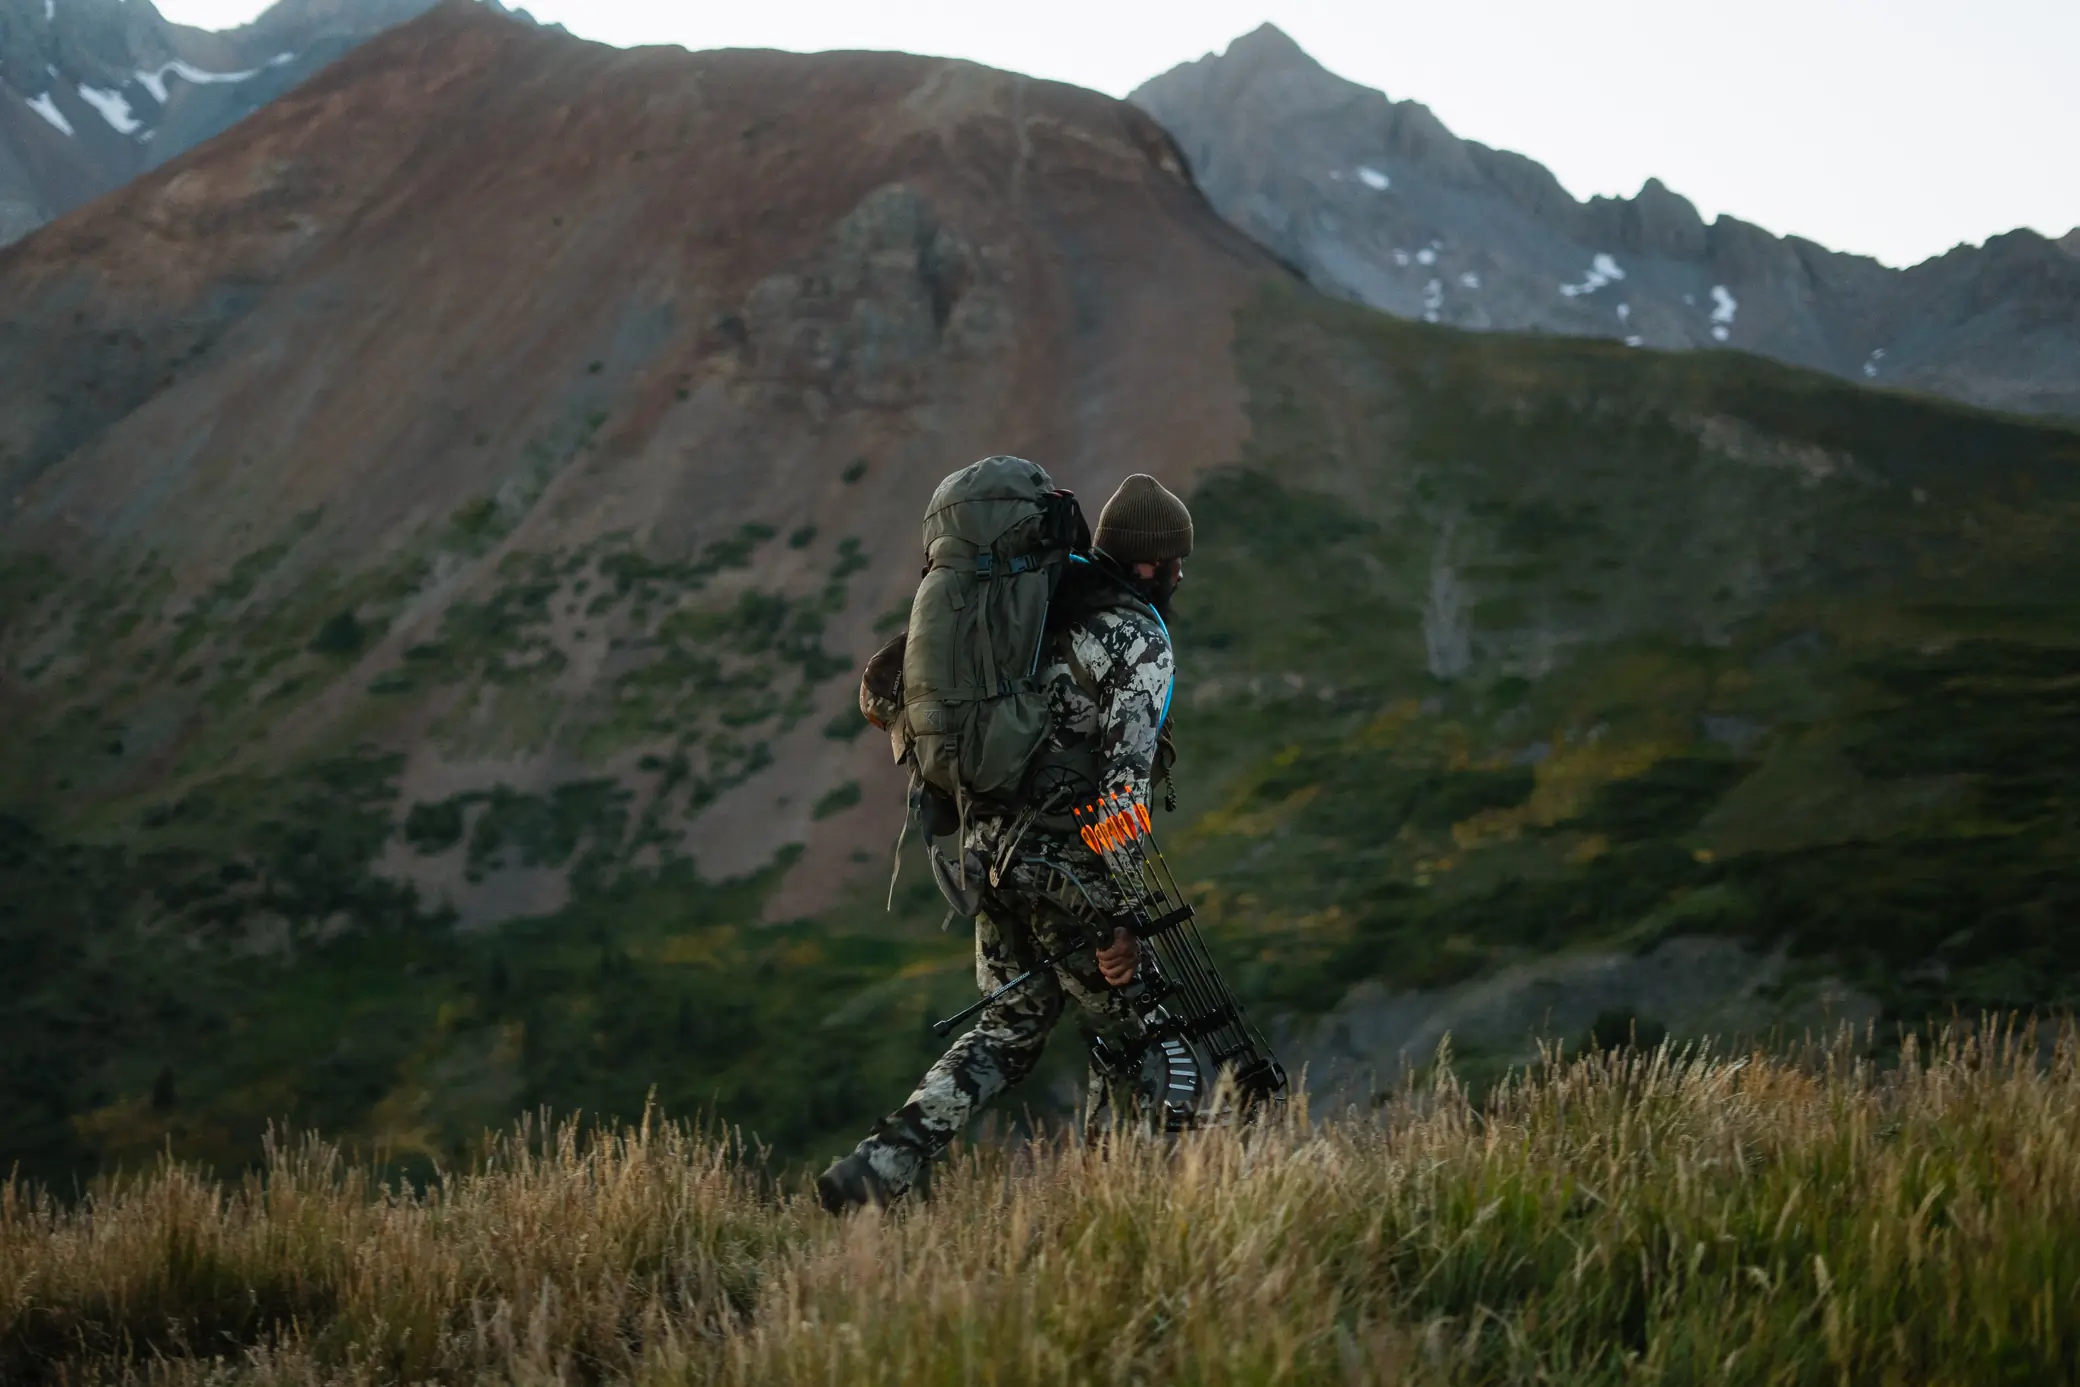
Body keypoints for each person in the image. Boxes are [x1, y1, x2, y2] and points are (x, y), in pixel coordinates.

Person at [818, 473, 1194, 1213]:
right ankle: (1109, 1210)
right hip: (1073, 877)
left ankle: (880, 1163)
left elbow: (889, 691)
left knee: (1010, 1025)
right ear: (1152, 563)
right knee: (1138, 1035)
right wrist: (1120, 919)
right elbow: (1121, 796)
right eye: (1176, 561)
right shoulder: (1137, 639)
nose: (1179, 574)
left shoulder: (1033, 606)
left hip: (989, 856)